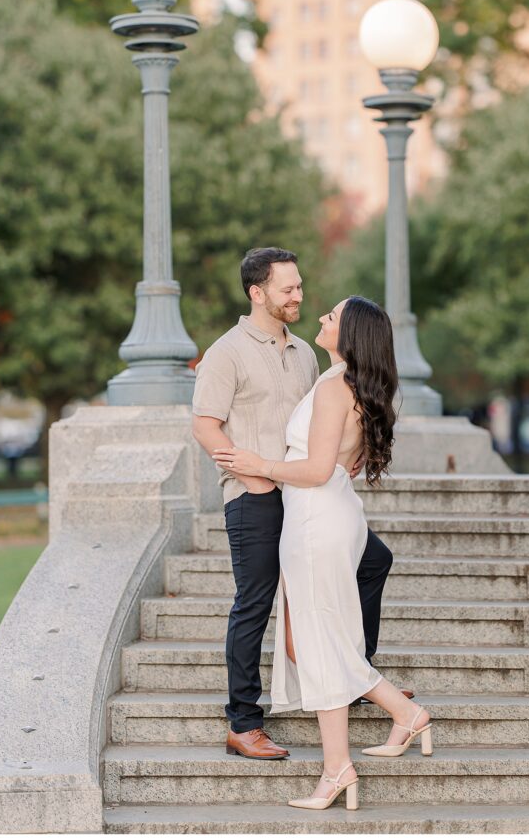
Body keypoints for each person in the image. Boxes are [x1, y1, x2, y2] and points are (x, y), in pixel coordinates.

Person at [213, 295, 432, 811]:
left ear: (350, 333)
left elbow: (313, 469)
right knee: (310, 643)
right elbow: (333, 461)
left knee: (318, 644)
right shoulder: (345, 382)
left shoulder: (336, 386)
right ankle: (399, 717)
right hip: (327, 513)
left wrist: (257, 462)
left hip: (316, 519)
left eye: (331, 316)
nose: (320, 319)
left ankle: (341, 767)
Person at [192, 248, 411, 763]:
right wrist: (253, 476)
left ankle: (353, 671)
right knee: (255, 601)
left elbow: (323, 420)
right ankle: (244, 722)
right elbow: (205, 426)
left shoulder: (305, 354)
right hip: (257, 495)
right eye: (288, 289)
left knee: (373, 560)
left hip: (304, 491)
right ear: (257, 293)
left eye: (299, 287)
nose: (298, 297)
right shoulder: (226, 352)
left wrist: (344, 453)